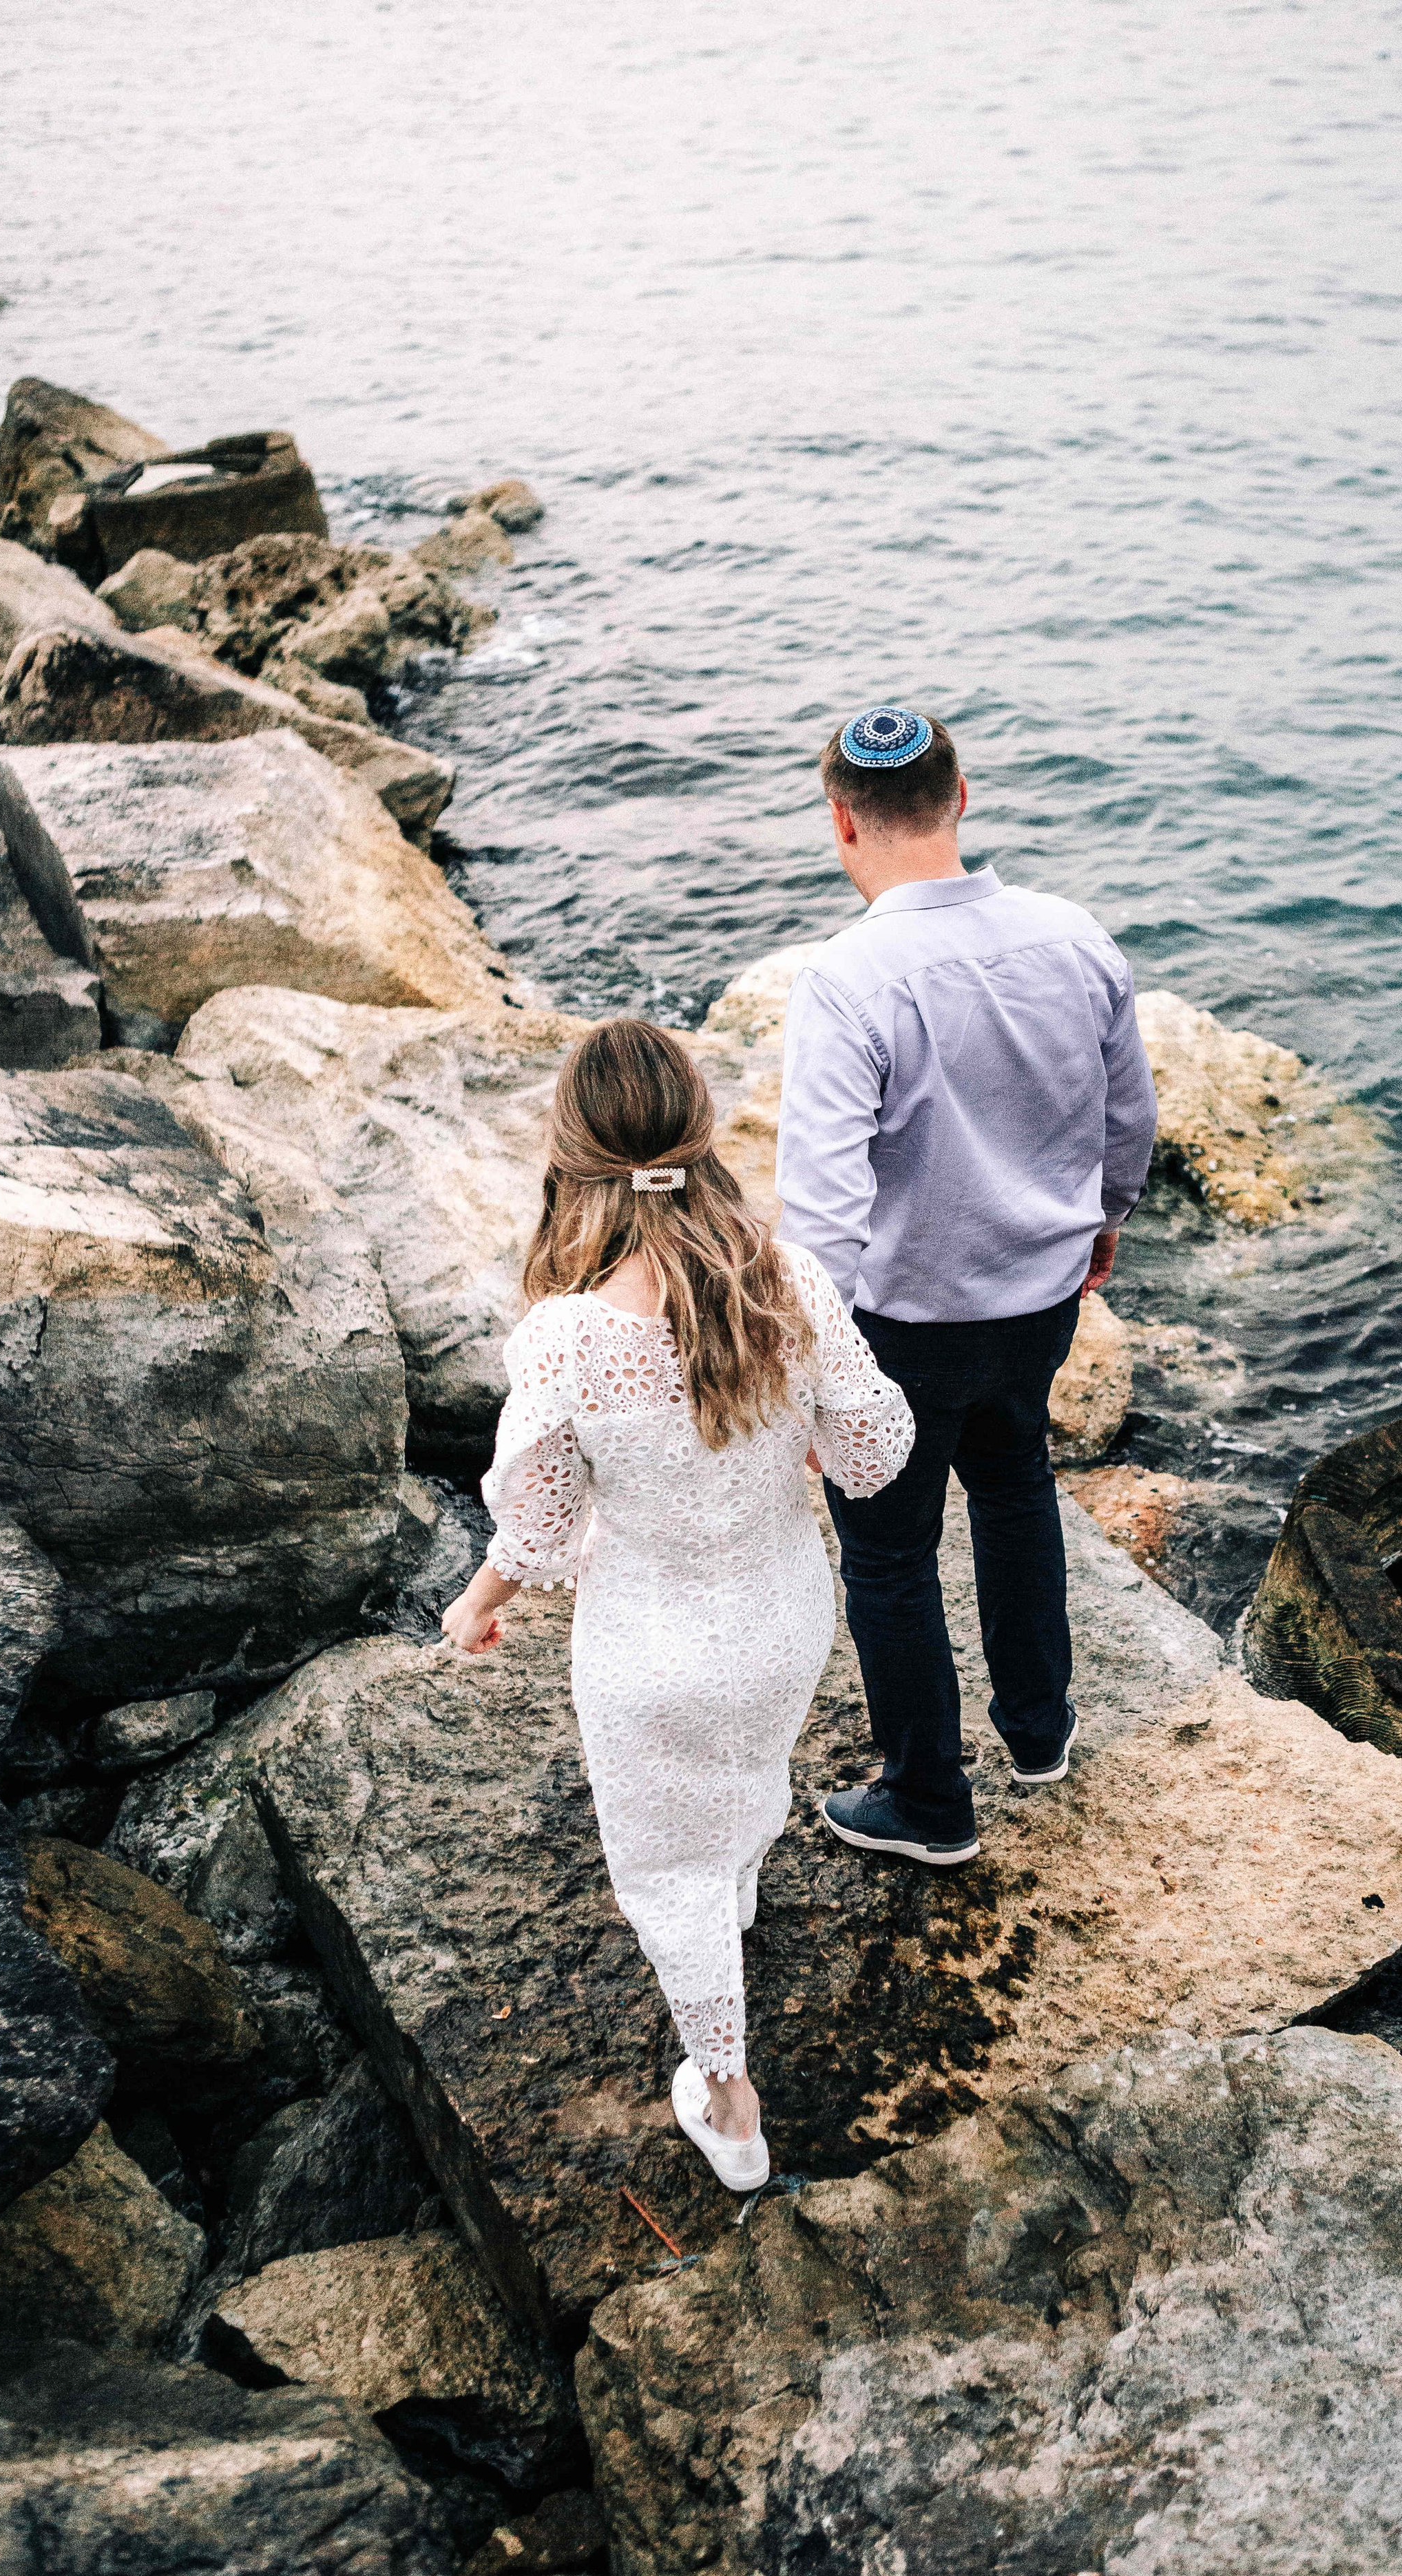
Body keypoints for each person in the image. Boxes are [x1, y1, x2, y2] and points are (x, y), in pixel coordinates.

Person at [441, 1019, 914, 2192]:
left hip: (650, 1647)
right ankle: (738, 1880)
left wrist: (475, 1601)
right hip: (785, 1616)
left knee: (663, 1874)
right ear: (702, 1135)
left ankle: (728, 2097)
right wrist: (803, 1437)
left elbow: (540, 1532)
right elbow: (877, 1450)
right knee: (748, 1764)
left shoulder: (565, 1337)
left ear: (574, 1155)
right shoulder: (787, 1277)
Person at [777, 705, 1158, 1867]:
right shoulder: (1075, 938)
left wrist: (807, 1374)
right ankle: (1039, 1734)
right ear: (962, 795)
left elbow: (825, 1219)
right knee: (1014, 1487)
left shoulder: (847, 982)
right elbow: (1129, 1120)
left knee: (889, 1558)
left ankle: (931, 1804)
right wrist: (1105, 1224)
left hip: (901, 1329)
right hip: (1036, 1303)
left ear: (842, 820)